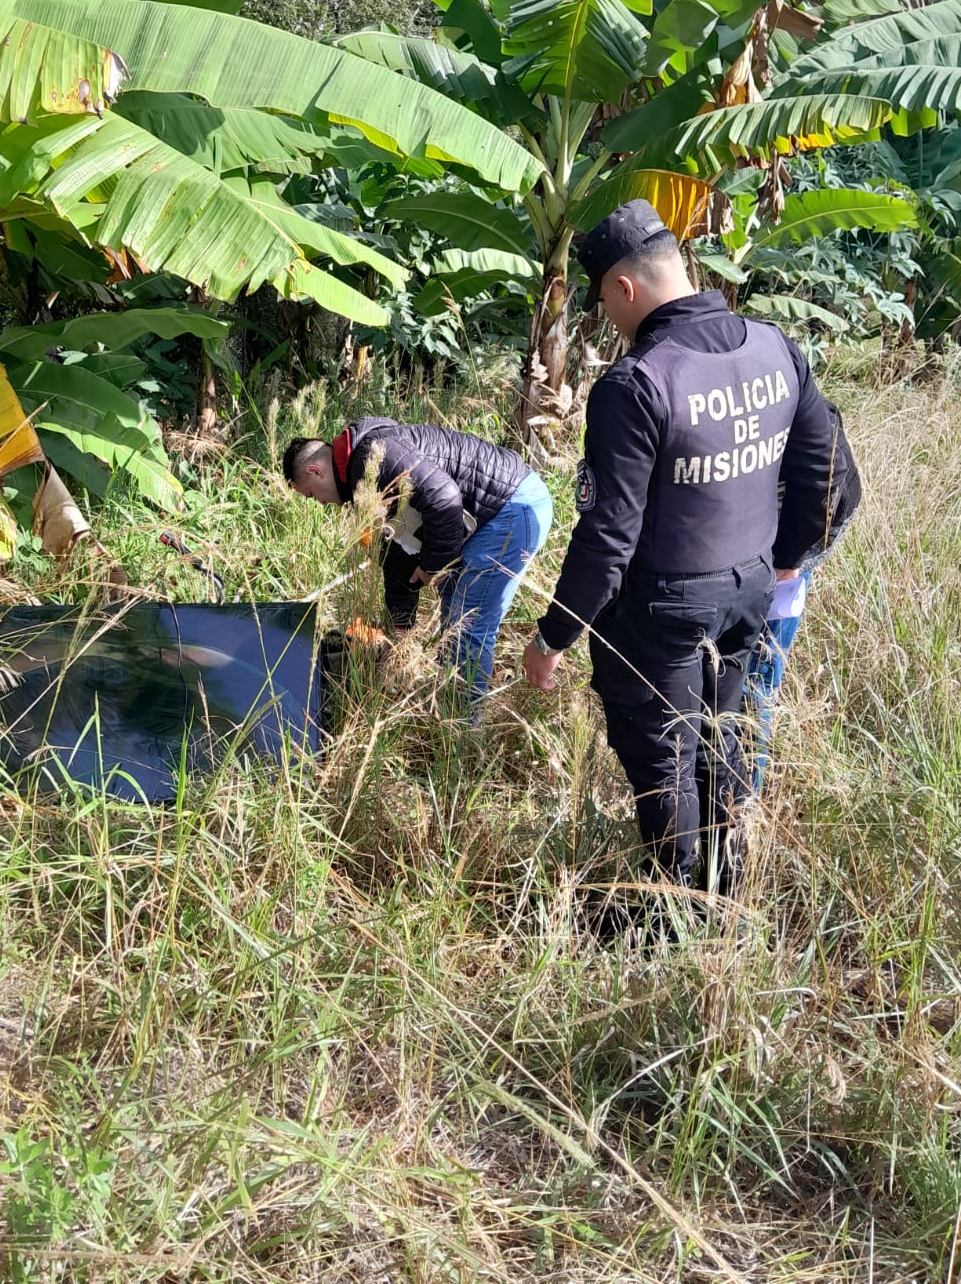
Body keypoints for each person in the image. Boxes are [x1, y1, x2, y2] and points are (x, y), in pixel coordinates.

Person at [521, 199, 859, 899]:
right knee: (721, 738)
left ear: (625, 287)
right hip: (751, 589)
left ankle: (678, 915)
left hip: (663, 610)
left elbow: (607, 538)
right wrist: (784, 558)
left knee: (665, 760)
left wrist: (553, 637)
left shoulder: (635, 384)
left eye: (605, 303)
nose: (610, 320)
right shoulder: (775, 348)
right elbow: (829, 475)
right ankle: (725, 888)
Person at [284, 420, 552, 706]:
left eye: (311, 494)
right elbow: (396, 556)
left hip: (510, 507)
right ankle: (450, 705)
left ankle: (461, 723)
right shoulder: (361, 476)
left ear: (315, 471)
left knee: (466, 625)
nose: (320, 503)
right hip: (490, 513)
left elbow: (445, 500)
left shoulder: (375, 455)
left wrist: (432, 567)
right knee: (453, 613)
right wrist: (399, 628)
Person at [744, 414, 861, 790]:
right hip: (737, 546)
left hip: (782, 553)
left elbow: (834, 470)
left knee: (755, 681)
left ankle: (741, 804)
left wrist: (790, 559)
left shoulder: (792, 394)